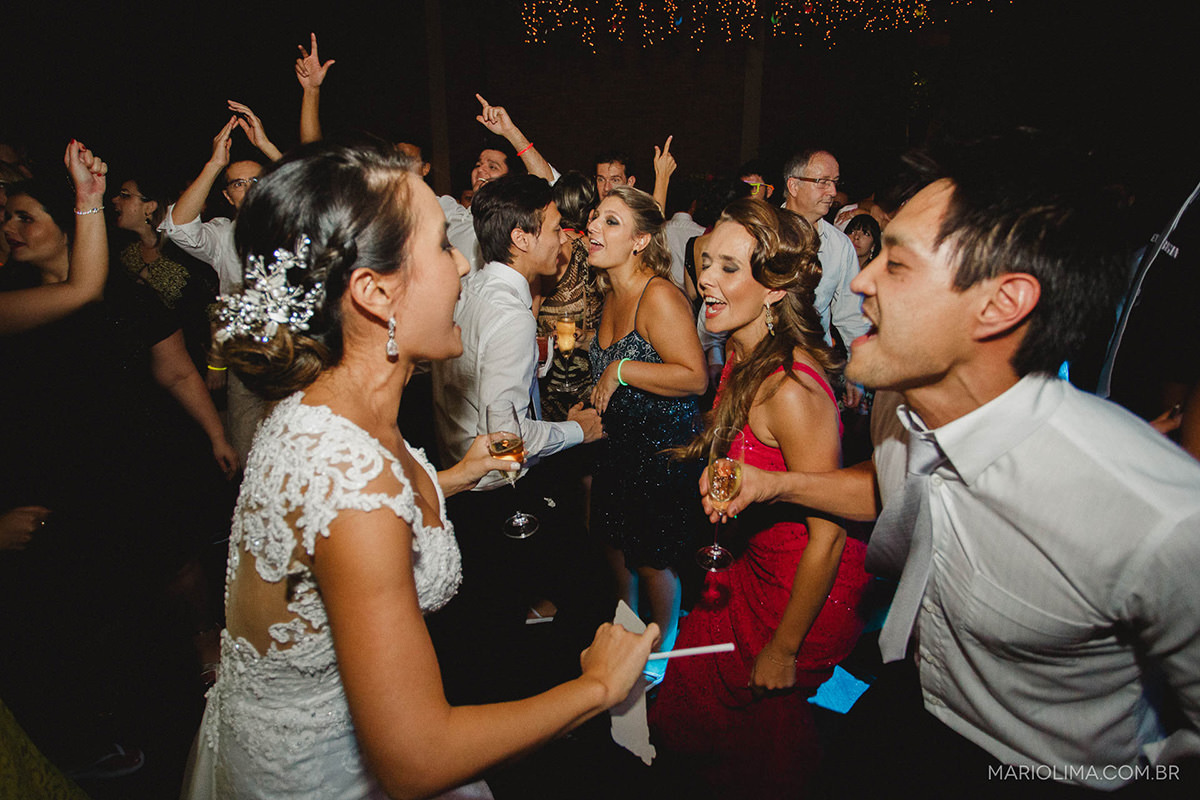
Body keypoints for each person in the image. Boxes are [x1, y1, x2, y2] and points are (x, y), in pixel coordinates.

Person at [706, 133, 1200, 793]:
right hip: (905, 699)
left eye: (897, 265)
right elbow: (892, 490)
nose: (860, 281)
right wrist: (777, 483)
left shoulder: (1156, 518)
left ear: (1001, 304)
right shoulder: (899, 404)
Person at [182, 141, 656, 800]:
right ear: (375, 293)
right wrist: (598, 687)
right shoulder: (354, 479)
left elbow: (360, 518)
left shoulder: (329, 409)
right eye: (440, 246)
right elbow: (416, 762)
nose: (463, 261)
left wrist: (456, 476)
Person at [650, 199, 871, 797]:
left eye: (729, 268)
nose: (706, 279)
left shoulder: (791, 389)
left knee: (757, 747)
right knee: (696, 703)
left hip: (798, 588)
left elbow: (829, 535)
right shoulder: (741, 351)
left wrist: (784, 649)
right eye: (706, 262)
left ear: (774, 289)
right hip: (749, 567)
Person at [587, 185, 708, 671]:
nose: (593, 226)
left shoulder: (657, 295)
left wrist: (621, 370)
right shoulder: (610, 291)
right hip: (616, 451)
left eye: (610, 221)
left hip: (661, 457)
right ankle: (626, 632)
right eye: (595, 217)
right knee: (615, 549)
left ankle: (661, 653)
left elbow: (695, 377)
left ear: (640, 241)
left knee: (653, 559)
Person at [160, 103, 281, 465]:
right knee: (249, 455)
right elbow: (180, 228)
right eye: (239, 183)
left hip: (298, 356)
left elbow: (324, 192)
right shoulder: (222, 234)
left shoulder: (297, 224)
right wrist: (214, 164)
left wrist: (266, 145)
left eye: (257, 180)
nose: (249, 188)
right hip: (246, 362)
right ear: (228, 196)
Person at [110, 173, 218, 370]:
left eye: (125, 195)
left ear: (150, 207)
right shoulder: (126, 253)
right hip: (151, 363)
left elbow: (215, 310)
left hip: (194, 362)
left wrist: (217, 366)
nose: (115, 200)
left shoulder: (186, 252)